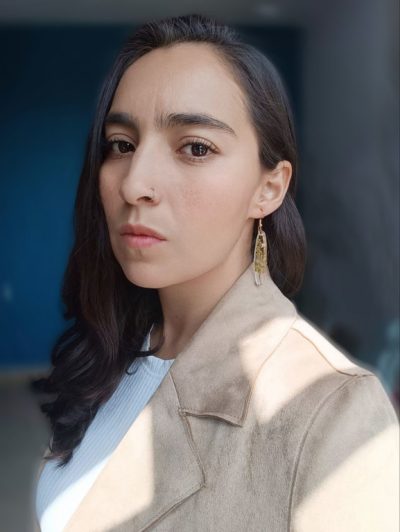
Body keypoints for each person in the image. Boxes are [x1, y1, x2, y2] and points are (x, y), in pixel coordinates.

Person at [32, 13, 399, 532]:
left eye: (196, 148)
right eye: (122, 144)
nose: (134, 183)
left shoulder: (332, 411)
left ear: (268, 188)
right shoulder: (113, 351)